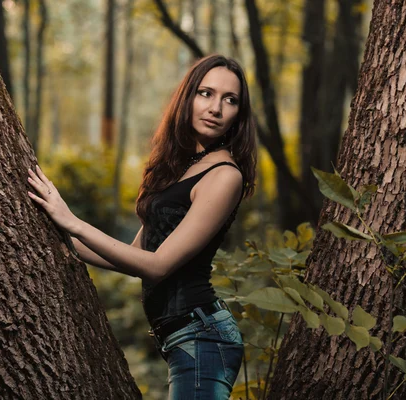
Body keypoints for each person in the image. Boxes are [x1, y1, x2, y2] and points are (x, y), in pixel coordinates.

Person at [26, 54, 257, 399]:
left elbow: (157, 266)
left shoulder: (224, 176)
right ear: (187, 97)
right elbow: (136, 255)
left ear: (239, 114)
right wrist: (55, 232)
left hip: (203, 337)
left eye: (230, 99)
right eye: (206, 93)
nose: (216, 108)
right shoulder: (180, 169)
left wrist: (72, 221)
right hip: (182, 335)